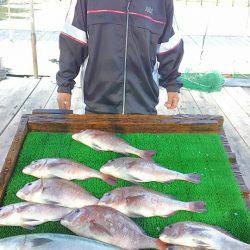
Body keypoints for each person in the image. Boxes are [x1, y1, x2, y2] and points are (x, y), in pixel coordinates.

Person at [56, 0, 184, 114]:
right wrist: (64, 86)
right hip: (98, 104)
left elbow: (170, 46)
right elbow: (72, 42)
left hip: (144, 104)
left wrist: (172, 85)